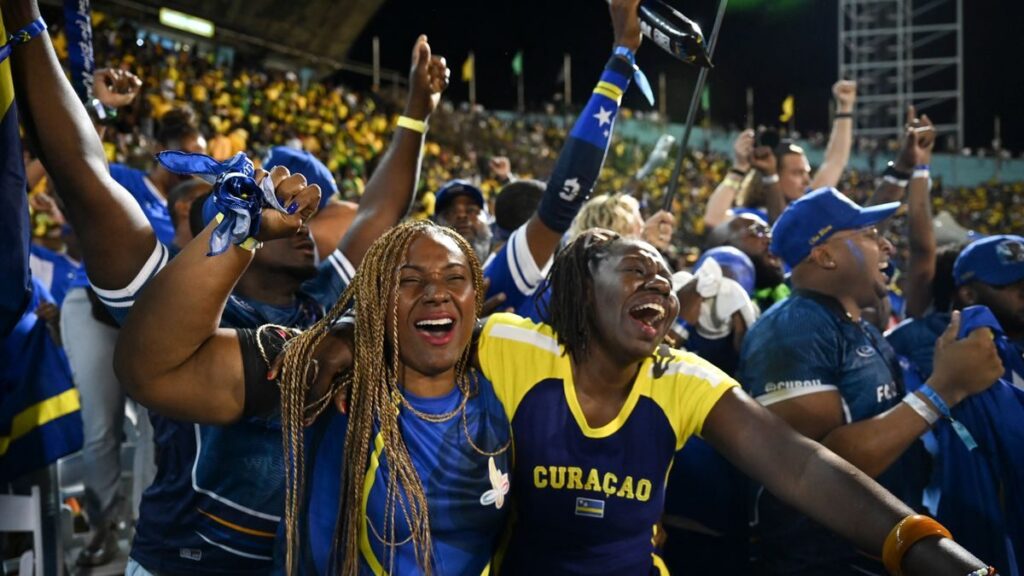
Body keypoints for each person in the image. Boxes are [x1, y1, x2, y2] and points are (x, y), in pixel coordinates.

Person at [2, 1, 447, 570]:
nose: (300, 221)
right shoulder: (178, 308)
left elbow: (380, 212)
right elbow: (84, 177)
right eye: (276, 205)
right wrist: (28, 26)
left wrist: (416, 110)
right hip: (182, 561)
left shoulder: (322, 305)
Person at [737, 187, 1005, 575]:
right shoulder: (793, 327)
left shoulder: (856, 327)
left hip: (875, 550)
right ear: (824, 255)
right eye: (868, 235)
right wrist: (942, 390)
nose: (887, 247)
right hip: (821, 560)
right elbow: (809, 471)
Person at [703, 80, 858, 228]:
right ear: (773, 172)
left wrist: (845, 107)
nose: (806, 180)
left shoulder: (805, 206)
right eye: (797, 173)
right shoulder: (753, 217)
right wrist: (739, 168)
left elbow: (835, 161)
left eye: (806, 172)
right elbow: (713, 220)